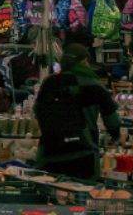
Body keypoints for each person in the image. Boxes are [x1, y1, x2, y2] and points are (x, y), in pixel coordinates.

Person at [35, 43, 121, 180]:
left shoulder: (49, 83)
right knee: (83, 198)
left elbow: (38, 112)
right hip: (83, 154)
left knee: (49, 197)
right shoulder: (94, 84)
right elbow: (113, 121)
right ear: (83, 61)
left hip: (49, 153)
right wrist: (115, 137)